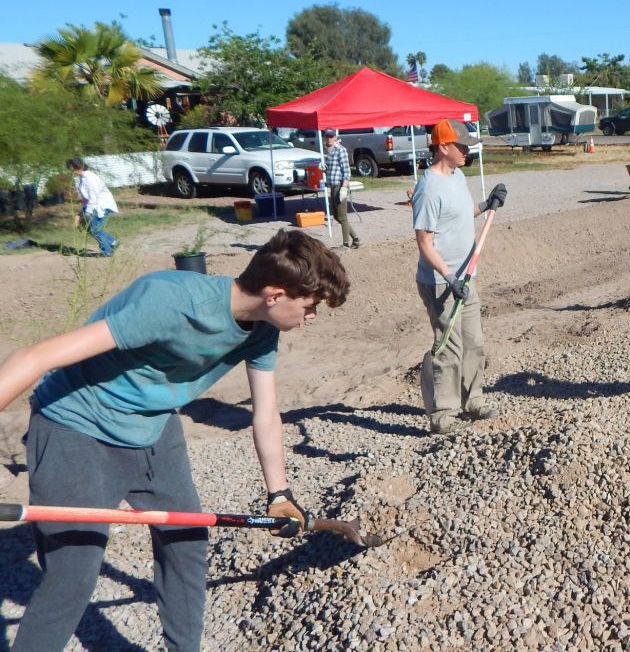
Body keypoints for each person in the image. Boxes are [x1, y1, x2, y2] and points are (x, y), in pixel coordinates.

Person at [0, 229, 349, 651]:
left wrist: (279, 494)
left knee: (186, 543)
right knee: (71, 575)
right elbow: (32, 357)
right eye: (310, 307)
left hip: (153, 425)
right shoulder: (170, 301)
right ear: (275, 295)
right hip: (76, 426)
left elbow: (266, 413)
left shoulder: (262, 329)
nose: (312, 316)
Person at [412, 119, 508, 434]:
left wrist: (487, 204)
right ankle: (443, 414)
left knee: (474, 342)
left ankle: (473, 400)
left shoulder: (457, 176)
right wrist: (449, 277)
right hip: (441, 282)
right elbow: (424, 242)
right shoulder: (428, 189)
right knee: (449, 349)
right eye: (462, 146)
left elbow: (464, 213)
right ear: (443, 147)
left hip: (466, 278)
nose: (467, 151)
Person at [66, 158, 118, 257]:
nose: (71, 171)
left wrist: (88, 213)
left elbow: (93, 197)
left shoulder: (90, 178)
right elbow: (86, 199)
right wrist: (81, 212)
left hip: (100, 205)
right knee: (90, 229)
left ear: (78, 166)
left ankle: (107, 251)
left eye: (71, 168)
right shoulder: (82, 178)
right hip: (93, 206)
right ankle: (112, 242)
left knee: (95, 229)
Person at [323, 129, 360, 249]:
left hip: (339, 185)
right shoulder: (327, 150)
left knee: (342, 216)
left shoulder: (340, 150)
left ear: (335, 137)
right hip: (332, 185)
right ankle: (356, 239)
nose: (329, 138)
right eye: (327, 136)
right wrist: (323, 168)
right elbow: (331, 169)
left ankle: (345, 244)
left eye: (331, 136)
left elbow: (346, 171)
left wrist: (344, 188)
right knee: (336, 216)